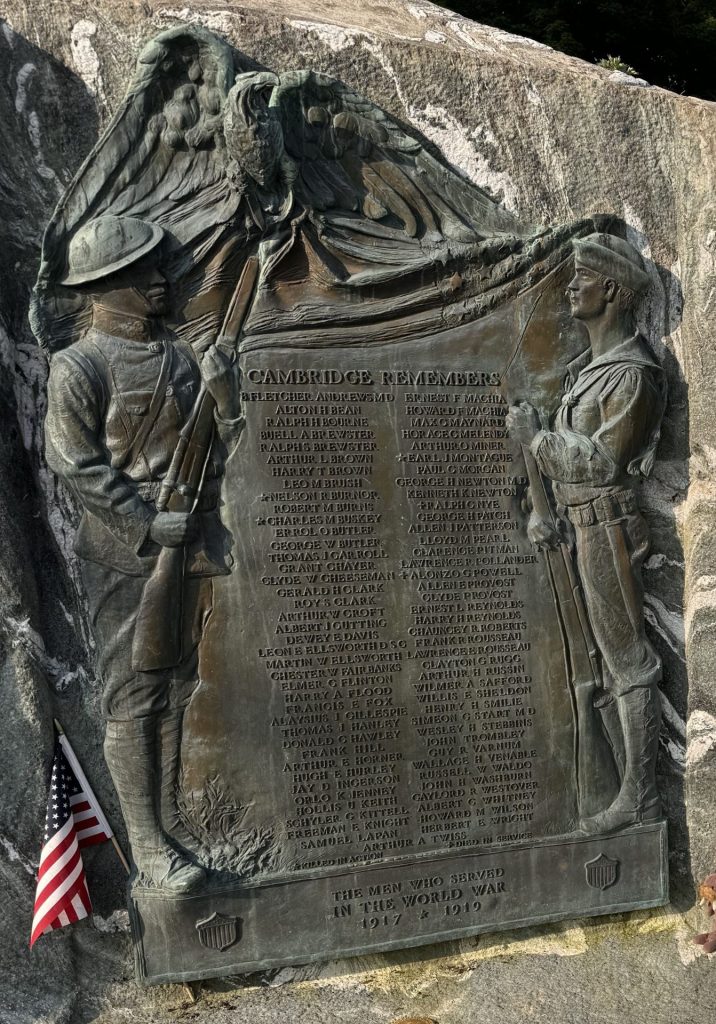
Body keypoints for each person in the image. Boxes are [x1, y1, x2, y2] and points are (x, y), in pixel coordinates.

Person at [44, 214, 244, 890]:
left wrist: (224, 398)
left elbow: (222, 445)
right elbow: (75, 462)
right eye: (146, 273)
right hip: (127, 558)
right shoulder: (80, 366)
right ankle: (149, 847)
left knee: (176, 685)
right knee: (133, 697)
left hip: (190, 551)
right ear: (112, 286)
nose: (162, 281)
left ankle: (173, 827)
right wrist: (145, 519)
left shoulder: (182, 355)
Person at [506, 232, 666, 834]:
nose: (572, 288)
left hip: (607, 530)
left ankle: (641, 797)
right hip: (576, 525)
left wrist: (537, 441)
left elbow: (603, 463)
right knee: (600, 657)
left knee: (629, 660)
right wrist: (539, 505)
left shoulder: (632, 377)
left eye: (585, 279)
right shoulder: (587, 374)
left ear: (614, 292)